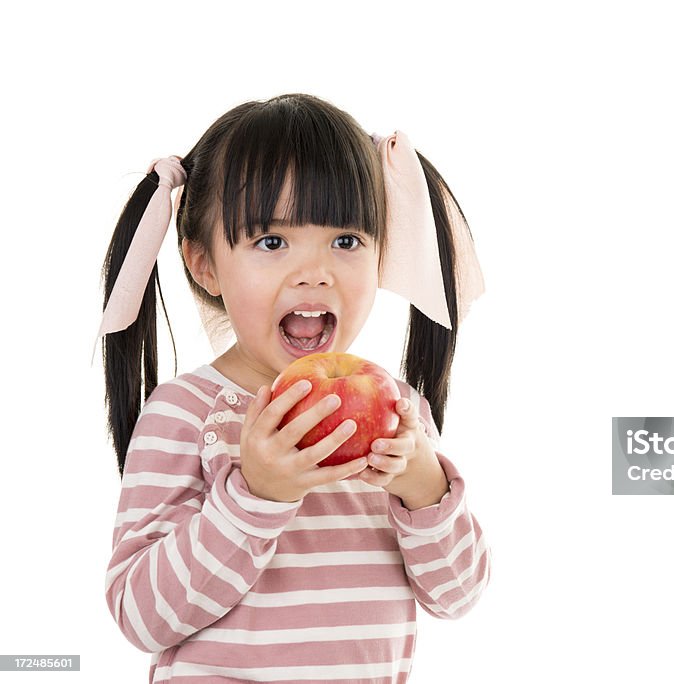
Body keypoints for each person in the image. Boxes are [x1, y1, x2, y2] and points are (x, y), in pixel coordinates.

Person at [98, 93, 490, 683]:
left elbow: (457, 596)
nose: (314, 272)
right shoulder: (185, 413)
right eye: (272, 243)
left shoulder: (399, 415)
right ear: (204, 265)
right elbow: (141, 616)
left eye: (347, 241)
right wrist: (256, 496)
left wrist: (422, 483)